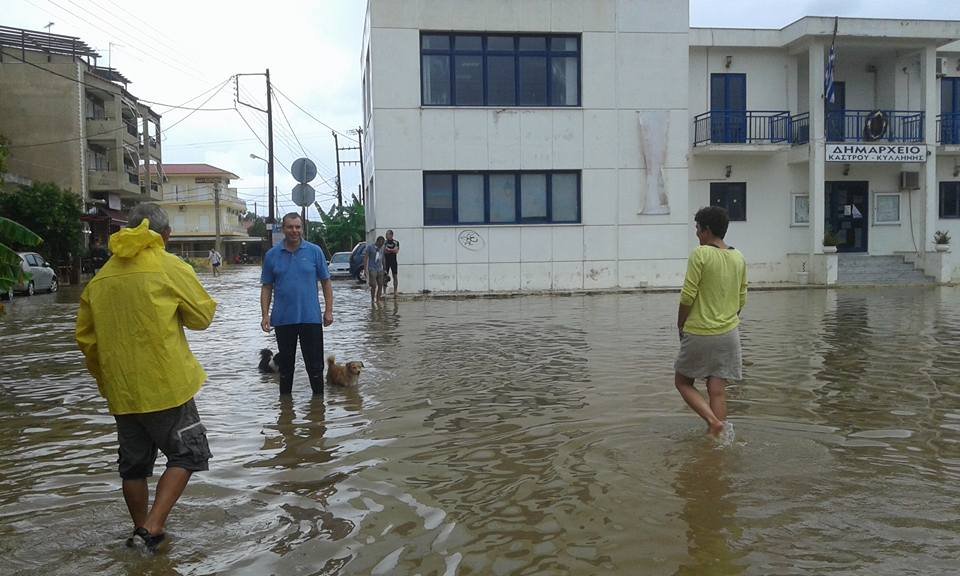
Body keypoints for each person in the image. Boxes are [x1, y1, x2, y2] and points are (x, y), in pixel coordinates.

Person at [75, 203, 217, 552]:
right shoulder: (169, 266)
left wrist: (108, 380)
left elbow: (86, 339)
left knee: (133, 467)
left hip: (122, 392)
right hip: (168, 386)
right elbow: (202, 317)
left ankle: (140, 530)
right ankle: (153, 527)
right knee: (187, 455)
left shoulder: (102, 277)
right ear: (165, 236)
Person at [675, 206, 747, 438]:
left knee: (682, 382)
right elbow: (742, 297)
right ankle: (719, 441)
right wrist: (727, 320)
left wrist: (680, 324)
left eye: (697, 229)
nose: (696, 234)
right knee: (717, 391)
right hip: (729, 334)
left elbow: (688, 295)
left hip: (699, 331)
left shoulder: (701, 254)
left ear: (706, 231)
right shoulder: (738, 257)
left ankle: (713, 423)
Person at [260, 212, 334, 396]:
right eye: (290, 227)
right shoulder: (272, 255)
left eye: (298, 227)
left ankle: (318, 411)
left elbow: (326, 282)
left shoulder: (314, 251)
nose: (294, 230)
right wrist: (265, 315)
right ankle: (286, 412)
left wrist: (329, 311)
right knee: (285, 369)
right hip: (283, 320)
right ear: (283, 228)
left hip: (311, 318)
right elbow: (267, 287)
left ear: (302, 228)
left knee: (315, 367)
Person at [363, 236, 386, 307]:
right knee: (373, 285)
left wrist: (385, 268)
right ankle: (372, 299)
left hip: (380, 269)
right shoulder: (370, 247)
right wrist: (365, 269)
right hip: (372, 268)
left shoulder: (382, 248)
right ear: (377, 241)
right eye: (381, 244)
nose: (381, 245)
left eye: (382, 244)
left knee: (380, 285)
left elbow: (383, 258)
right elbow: (366, 258)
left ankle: (378, 300)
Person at [383, 229, 400, 297]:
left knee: (395, 276)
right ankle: (384, 292)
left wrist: (389, 250)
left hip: (393, 261)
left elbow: (396, 251)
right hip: (386, 261)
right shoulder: (384, 242)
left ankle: (395, 292)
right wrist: (391, 250)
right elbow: (384, 251)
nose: (386, 236)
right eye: (386, 234)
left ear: (391, 235)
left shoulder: (396, 242)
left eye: (387, 234)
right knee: (385, 276)